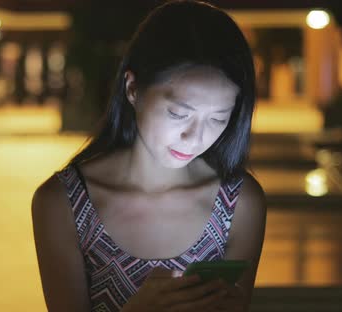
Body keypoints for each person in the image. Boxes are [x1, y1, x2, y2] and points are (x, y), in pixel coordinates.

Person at [32, 1, 267, 311]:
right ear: (133, 88)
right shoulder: (64, 203)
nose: (196, 138)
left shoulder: (239, 204)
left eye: (218, 118)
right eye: (179, 113)